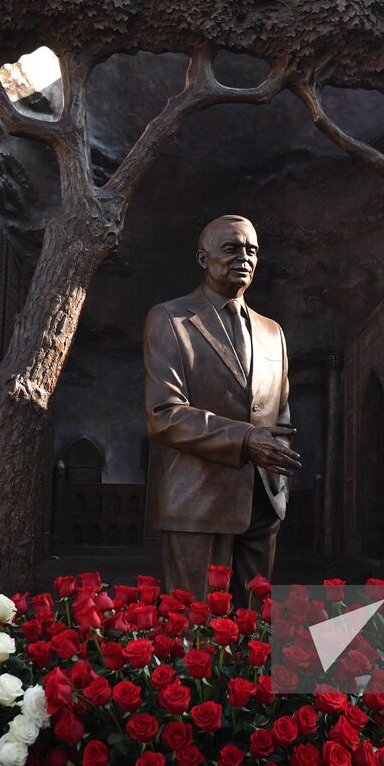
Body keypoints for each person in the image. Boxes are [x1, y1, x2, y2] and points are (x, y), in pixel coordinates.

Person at [143, 215, 300, 602]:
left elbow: (280, 413)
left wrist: (279, 483)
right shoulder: (169, 318)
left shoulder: (272, 331)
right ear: (202, 259)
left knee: (254, 635)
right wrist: (245, 439)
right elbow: (163, 413)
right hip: (197, 501)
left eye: (252, 250)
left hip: (263, 505)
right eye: (231, 249)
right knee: (192, 636)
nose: (243, 258)